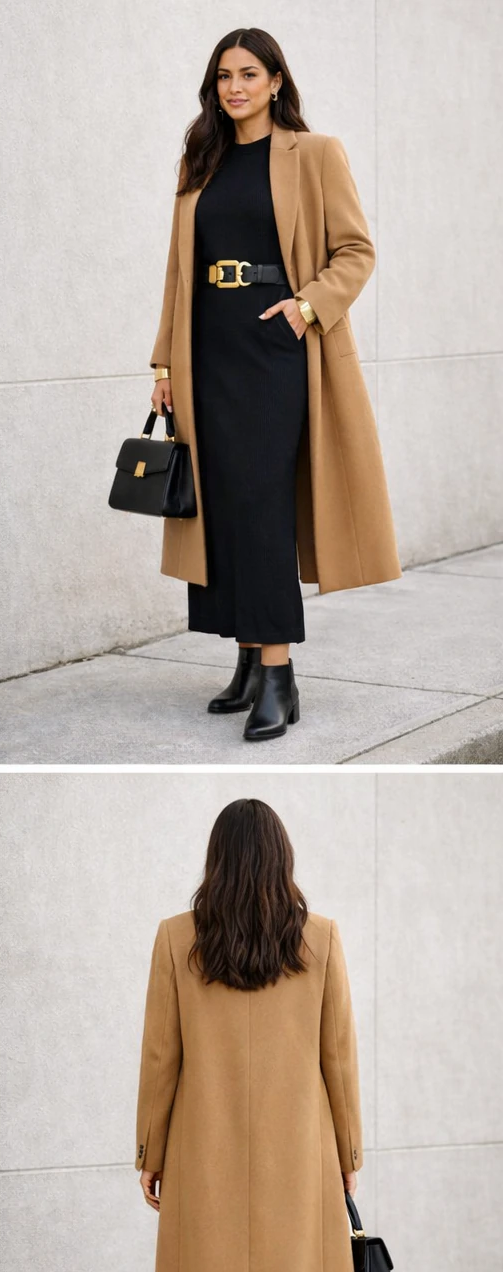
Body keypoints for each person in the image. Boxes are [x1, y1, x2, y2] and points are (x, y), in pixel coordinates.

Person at [149, 27, 400, 740]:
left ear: (277, 82)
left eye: (249, 74)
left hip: (274, 346)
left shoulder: (314, 153)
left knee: (260, 504)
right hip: (207, 348)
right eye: (224, 75)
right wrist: (164, 363)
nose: (235, 87)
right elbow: (178, 271)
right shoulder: (202, 158)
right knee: (222, 505)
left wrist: (306, 308)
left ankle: (281, 674)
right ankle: (249, 659)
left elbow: (356, 250)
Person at [136, 798, 363, 1272]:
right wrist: (348, 1155)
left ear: (216, 862)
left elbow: (161, 1057)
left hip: (205, 1158)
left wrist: (152, 1150)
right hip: (299, 1160)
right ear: (282, 860)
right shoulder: (320, 939)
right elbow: (339, 1059)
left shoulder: (177, 940)